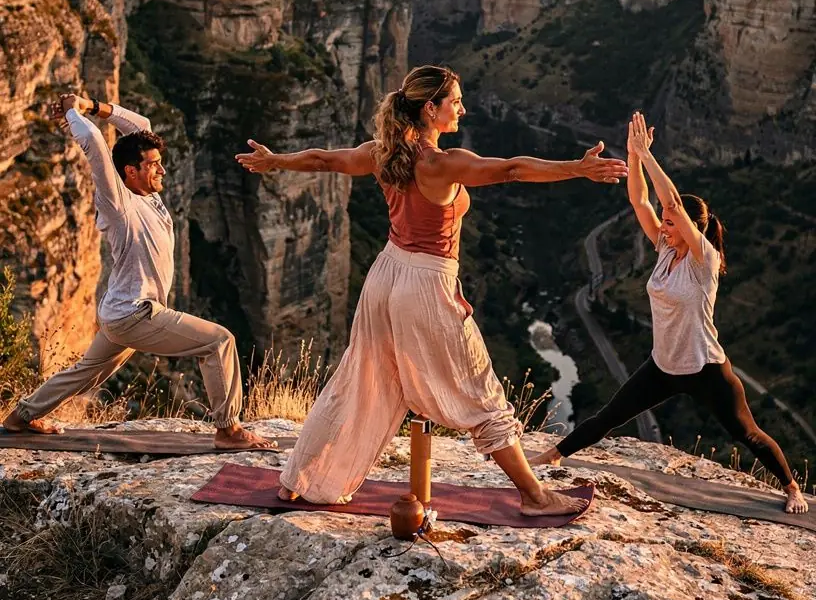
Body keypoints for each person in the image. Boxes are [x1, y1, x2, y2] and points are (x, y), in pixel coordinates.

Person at [236, 64, 627, 512]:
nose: (462, 108)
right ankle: (534, 495)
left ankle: (299, 480)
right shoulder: (441, 164)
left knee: (358, 380)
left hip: (384, 276)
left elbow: (326, 160)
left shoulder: (382, 154)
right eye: (455, 101)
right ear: (430, 108)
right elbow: (513, 170)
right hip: (425, 283)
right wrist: (577, 168)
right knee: (480, 392)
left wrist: (275, 161)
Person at [537, 111, 808, 515]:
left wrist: (648, 156)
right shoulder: (665, 249)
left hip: (706, 368)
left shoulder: (704, 260)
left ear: (690, 227)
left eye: (670, 223)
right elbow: (640, 200)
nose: (663, 227)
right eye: (663, 224)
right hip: (663, 365)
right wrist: (633, 155)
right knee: (610, 415)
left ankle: (791, 487)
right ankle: (553, 456)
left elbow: (672, 203)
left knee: (748, 434)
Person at [3, 93, 273, 451]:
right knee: (219, 341)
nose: (162, 170)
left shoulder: (149, 193)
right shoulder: (118, 203)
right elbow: (94, 143)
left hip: (120, 310)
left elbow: (140, 125)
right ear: (130, 171)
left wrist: (92, 105)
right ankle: (229, 430)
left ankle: (21, 417)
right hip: (136, 313)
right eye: (154, 165)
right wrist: (71, 111)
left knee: (85, 372)